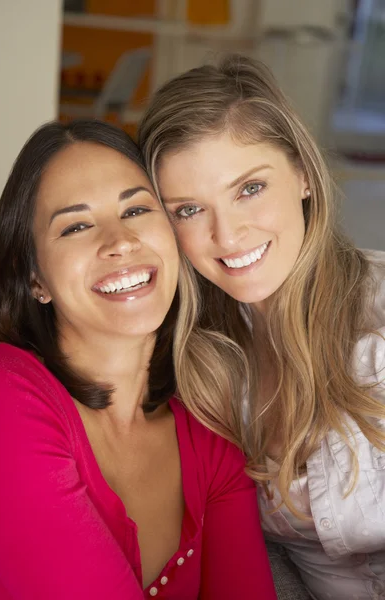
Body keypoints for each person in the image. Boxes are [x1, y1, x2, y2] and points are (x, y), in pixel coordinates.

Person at [0, 120, 277, 600]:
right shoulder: (2, 397)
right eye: (76, 225)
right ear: (33, 278)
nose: (119, 241)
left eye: (137, 209)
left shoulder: (210, 433)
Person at [138, 54, 385, 600]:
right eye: (187, 210)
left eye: (249, 188)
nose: (227, 236)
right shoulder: (196, 356)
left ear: (301, 172)